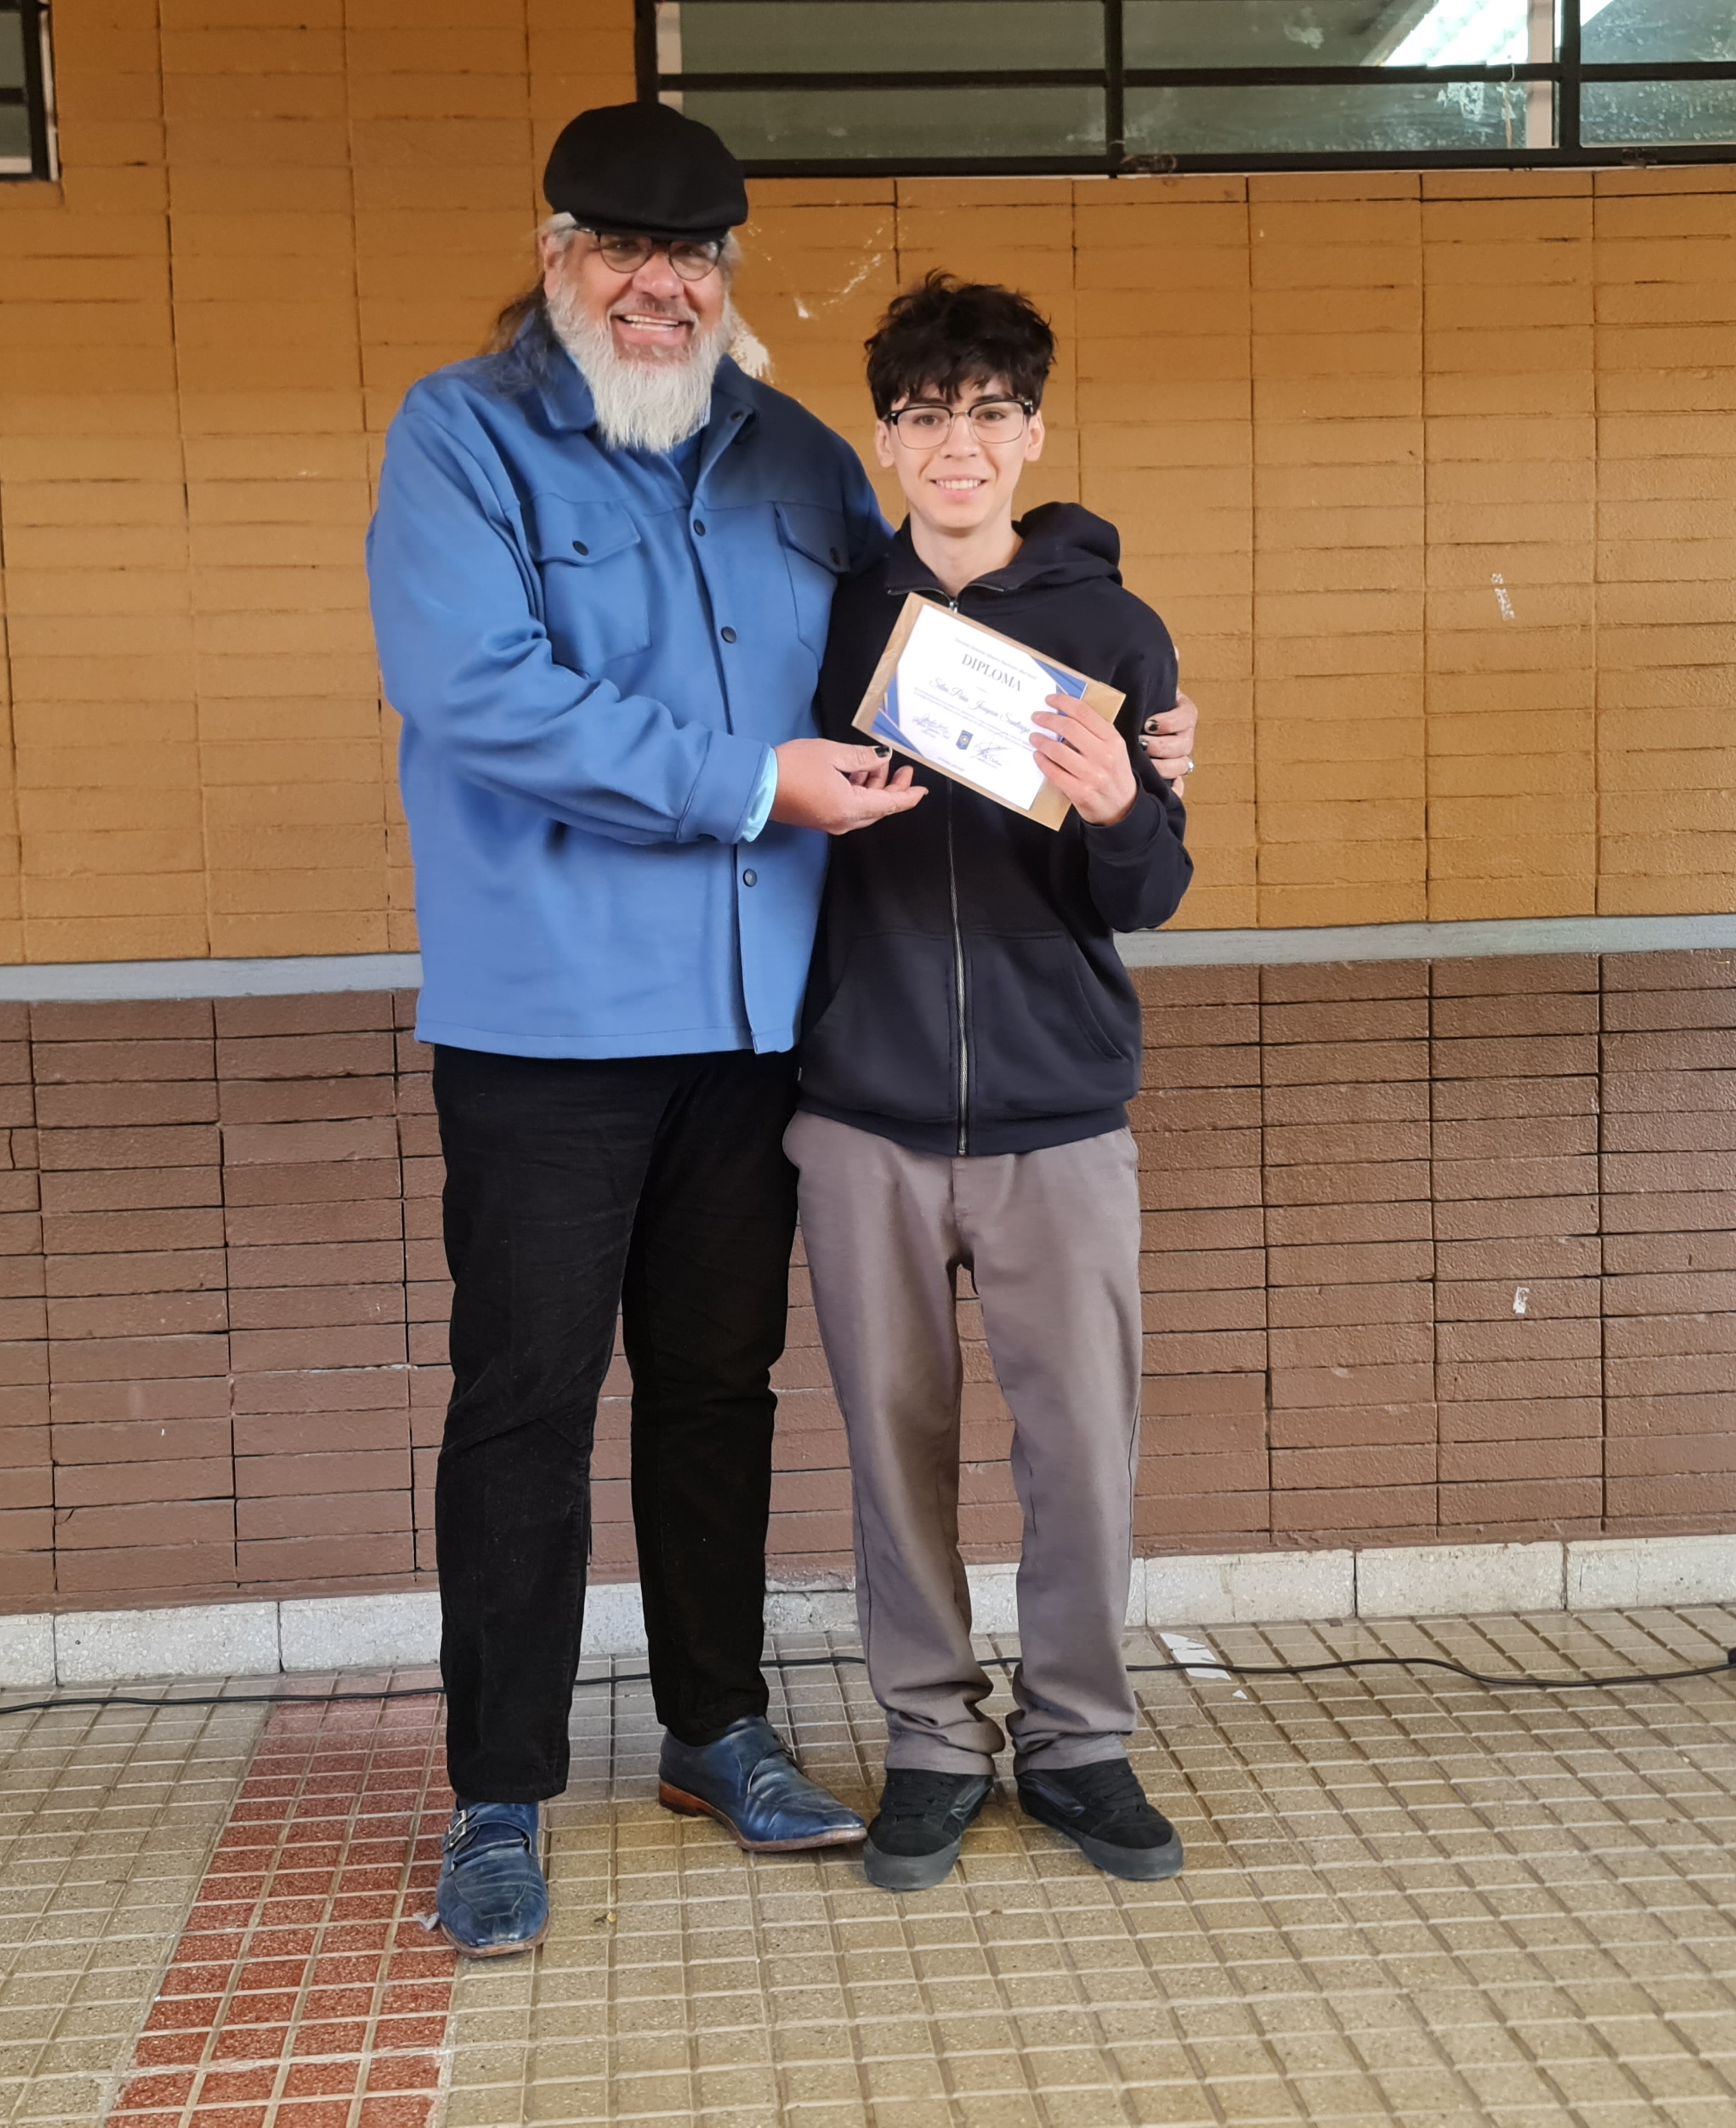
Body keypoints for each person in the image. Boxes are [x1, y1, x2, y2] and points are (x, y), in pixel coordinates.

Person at [367, 106, 1201, 1958]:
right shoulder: (461, 437)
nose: (659, 288)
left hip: (759, 1034)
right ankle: (498, 1789)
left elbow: (947, 592)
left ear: (727, 276)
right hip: (548, 1026)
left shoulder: (788, 454)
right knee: (523, 1404)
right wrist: (751, 784)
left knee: (715, 1395)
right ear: (557, 252)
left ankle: (714, 1729)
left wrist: (1132, 722)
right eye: (622, 249)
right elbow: (476, 690)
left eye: (694, 258)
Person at [786, 275, 1194, 1892]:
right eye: (925, 414)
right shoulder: (829, 621)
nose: (958, 443)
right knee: (894, 1449)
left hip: (1060, 1113)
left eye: (990, 413)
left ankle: (1079, 1739)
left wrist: (1120, 811)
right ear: (885, 440)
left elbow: (1148, 895)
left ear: (1032, 433)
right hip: (859, 1108)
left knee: (1081, 1449)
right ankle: (932, 1741)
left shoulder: (1112, 630)